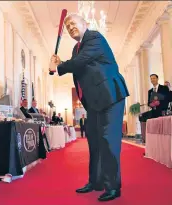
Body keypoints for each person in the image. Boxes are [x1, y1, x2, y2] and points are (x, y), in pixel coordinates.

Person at [49, 13, 129, 202]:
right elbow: (78, 69)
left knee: (108, 142)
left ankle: (113, 187)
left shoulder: (94, 37)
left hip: (110, 96)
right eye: (67, 26)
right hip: (93, 103)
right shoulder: (76, 50)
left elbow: (79, 63)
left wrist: (58, 66)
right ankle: (96, 181)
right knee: (94, 142)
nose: (70, 27)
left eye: (73, 23)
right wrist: (60, 65)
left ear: (85, 23)